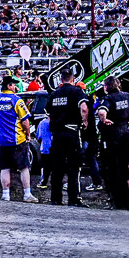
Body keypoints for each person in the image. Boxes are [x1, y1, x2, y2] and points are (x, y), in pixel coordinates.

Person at [46, 70, 90, 207]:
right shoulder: (77, 92)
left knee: (57, 168)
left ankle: (55, 199)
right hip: (72, 132)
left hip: (57, 135)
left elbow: (47, 114)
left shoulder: (54, 94)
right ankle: (73, 199)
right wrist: (85, 122)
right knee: (74, 167)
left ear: (61, 79)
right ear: (73, 79)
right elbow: (84, 108)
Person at [97, 85, 129, 210]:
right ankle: (126, 200)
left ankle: (115, 201)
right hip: (127, 142)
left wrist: (104, 120)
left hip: (113, 143)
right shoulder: (127, 97)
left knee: (112, 172)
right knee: (126, 172)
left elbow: (102, 112)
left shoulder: (108, 99)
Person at [0, 87, 36, 202]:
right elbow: (25, 120)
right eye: (14, 85)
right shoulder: (17, 100)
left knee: (5, 167)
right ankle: (27, 194)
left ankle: (5, 194)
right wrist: (28, 134)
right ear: (10, 86)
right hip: (17, 139)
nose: (15, 87)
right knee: (24, 167)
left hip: (3, 139)